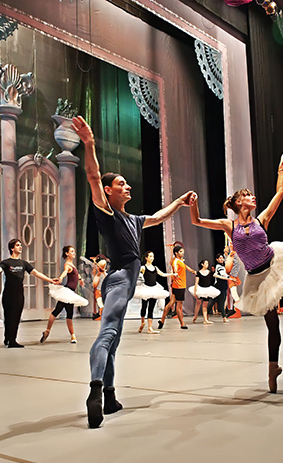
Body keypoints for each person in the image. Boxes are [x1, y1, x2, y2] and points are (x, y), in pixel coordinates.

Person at [72, 115, 194, 428]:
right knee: (108, 332)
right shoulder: (107, 213)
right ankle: (95, 390)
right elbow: (92, 175)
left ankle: (109, 396)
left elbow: (157, 217)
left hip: (124, 281)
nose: (127, 186)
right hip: (118, 278)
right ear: (109, 192)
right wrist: (89, 144)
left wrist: (179, 202)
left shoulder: (134, 220)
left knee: (114, 340)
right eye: (121, 184)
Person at [189, 151, 283, 392]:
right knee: (271, 324)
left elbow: (280, 193)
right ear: (238, 203)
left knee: (274, 325)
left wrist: (281, 169)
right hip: (255, 278)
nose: (253, 197)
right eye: (247, 195)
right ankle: (273, 367)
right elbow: (197, 222)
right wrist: (192, 205)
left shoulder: (261, 219)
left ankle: (271, 368)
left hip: (273, 267)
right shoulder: (229, 225)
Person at [0, 238, 58, 348]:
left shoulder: (23, 264)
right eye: (17, 245)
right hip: (8, 294)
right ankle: (7, 338)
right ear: (12, 248)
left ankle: (12, 340)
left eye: (20, 245)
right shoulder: (6, 263)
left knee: (16, 317)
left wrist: (50, 280)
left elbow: (36, 273)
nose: (20, 247)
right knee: (8, 317)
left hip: (18, 295)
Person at [40, 245, 88, 344]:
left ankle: (50, 331)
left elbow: (76, 274)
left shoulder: (72, 264)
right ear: (67, 253)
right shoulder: (67, 265)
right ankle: (70, 335)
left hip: (69, 292)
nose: (74, 253)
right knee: (62, 312)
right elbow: (65, 272)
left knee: (62, 312)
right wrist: (61, 278)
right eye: (71, 251)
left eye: (74, 251)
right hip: (67, 292)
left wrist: (80, 279)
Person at [134, 251, 174, 334]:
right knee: (144, 307)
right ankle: (142, 323)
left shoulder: (155, 268)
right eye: (150, 256)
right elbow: (135, 273)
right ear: (146, 258)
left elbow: (162, 274)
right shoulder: (143, 267)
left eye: (153, 256)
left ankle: (150, 328)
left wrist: (172, 274)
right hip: (145, 289)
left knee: (151, 308)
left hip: (154, 289)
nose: (152, 258)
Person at [159, 245, 196, 329]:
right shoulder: (175, 261)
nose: (182, 253)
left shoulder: (181, 261)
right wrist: (175, 273)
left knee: (171, 303)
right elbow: (175, 268)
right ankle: (182, 323)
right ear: (176, 253)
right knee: (179, 305)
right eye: (180, 251)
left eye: (182, 251)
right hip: (179, 285)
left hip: (180, 285)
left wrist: (193, 271)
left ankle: (162, 320)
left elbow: (186, 267)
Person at [190, 259, 220, 324]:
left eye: (207, 263)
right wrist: (195, 292)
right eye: (206, 263)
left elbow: (214, 277)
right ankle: (195, 316)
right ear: (202, 264)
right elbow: (196, 282)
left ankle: (205, 320)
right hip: (200, 289)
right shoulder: (198, 272)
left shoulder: (209, 272)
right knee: (198, 303)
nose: (207, 265)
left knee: (205, 305)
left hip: (207, 290)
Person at [211, 253, 232, 322]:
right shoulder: (218, 266)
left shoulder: (224, 265)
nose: (221, 259)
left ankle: (207, 314)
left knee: (217, 301)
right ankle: (224, 317)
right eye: (219, 258)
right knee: (219, 301)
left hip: (224, 285)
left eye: (222, 258)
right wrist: (230, 278)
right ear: (217, 260)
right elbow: (223, 274)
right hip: (219, 285)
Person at [91, 256, 107, 321]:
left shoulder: (100, 275)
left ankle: (102, 316)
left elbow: (94, 284)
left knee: (100, 304)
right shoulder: (104, 274)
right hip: (102, 291)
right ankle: (101, 315)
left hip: (99, 291)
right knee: (100, 303)